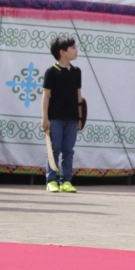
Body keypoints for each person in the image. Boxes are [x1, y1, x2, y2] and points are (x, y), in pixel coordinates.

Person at [42, 35, 85, 193]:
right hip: (55, 118)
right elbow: (46, 97)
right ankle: (51, 180)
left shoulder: (76, 72)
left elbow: (79, 96)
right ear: (62, 52)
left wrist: (80, 117)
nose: (76, 50)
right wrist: (45, 118)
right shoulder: (51, 72)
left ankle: (66, 181)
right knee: (54, 149)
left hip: (72, 118)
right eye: (73, 47)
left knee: (68, 150)